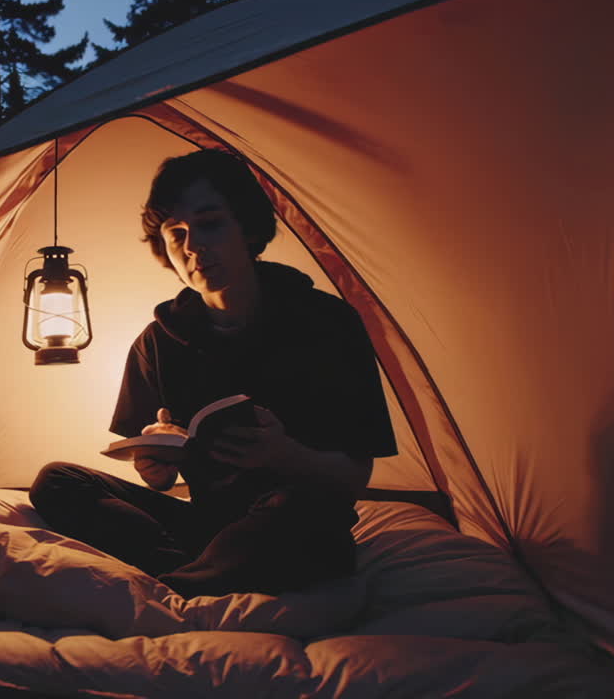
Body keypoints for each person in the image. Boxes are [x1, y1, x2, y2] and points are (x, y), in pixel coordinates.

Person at [29, 149, 397, 598]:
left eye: (210, 223)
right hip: (205, 525)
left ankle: (179, 588)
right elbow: (159, 476)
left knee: (304, 507)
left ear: (246, 227)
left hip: (293, 520)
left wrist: (283, 454)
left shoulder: (326, 322)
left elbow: (354, 477)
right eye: (176, 233)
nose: (193, 247)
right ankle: (195, 574)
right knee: (58, 481)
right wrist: (156, 464)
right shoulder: (158, 339)